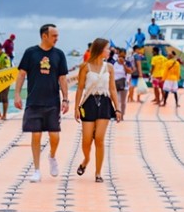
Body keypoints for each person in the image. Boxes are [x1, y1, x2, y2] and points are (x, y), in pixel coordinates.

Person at [13, 23, 70, 182]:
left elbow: (63, 78)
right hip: (34, 101)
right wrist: (17, 95)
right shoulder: (30, 53)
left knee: (54, 136)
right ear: (44, 36)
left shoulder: (59, 54)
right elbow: (21, 74)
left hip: (53, 101)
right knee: (36, 135)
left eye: (57, 36)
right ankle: (37, 170)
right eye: (54, 36)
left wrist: (65, 99)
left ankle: (52, 156)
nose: (56, 38)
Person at [75, 37, 120, 181]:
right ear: (101, 50)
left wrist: (118, 108)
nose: (109, 51)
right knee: (87, 140)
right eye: (107, 48)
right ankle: (86, 160)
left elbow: (112, 88)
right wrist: (76, 107)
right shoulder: (85, 66)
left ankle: (98, 172)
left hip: (105, 102)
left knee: (99, 139)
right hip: (89, 103)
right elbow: (80, 88)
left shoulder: (110, 67)